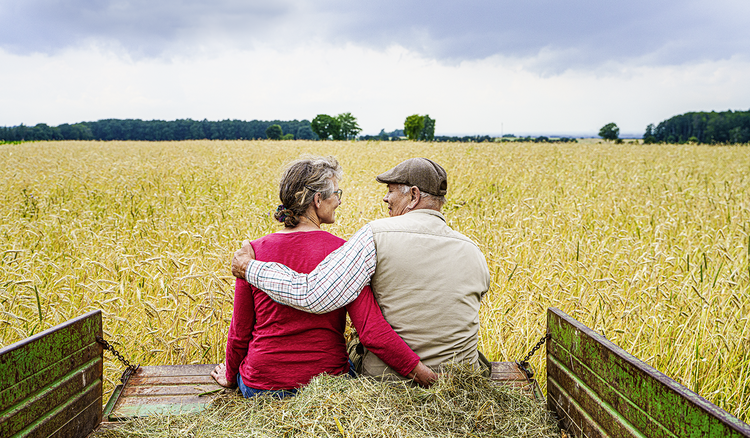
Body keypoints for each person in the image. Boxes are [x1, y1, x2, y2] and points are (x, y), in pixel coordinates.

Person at [232, 157, 491, 380]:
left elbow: (310, 295)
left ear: (413, 195)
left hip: (385, 378)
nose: (385, 197)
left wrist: (250, 268)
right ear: (317, 200)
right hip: (459, 379)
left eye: (391, 190)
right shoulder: (473, 250)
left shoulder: (374, 237)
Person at [212, 156, 436, 397]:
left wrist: (230, 373)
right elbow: (371, 330)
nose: (339, 201)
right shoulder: (344, 252)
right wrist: (423, 375)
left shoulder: (252, 253)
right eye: (336, 193)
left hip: (262, 386)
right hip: (328, 384)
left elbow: (240, 330)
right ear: (318, 200)